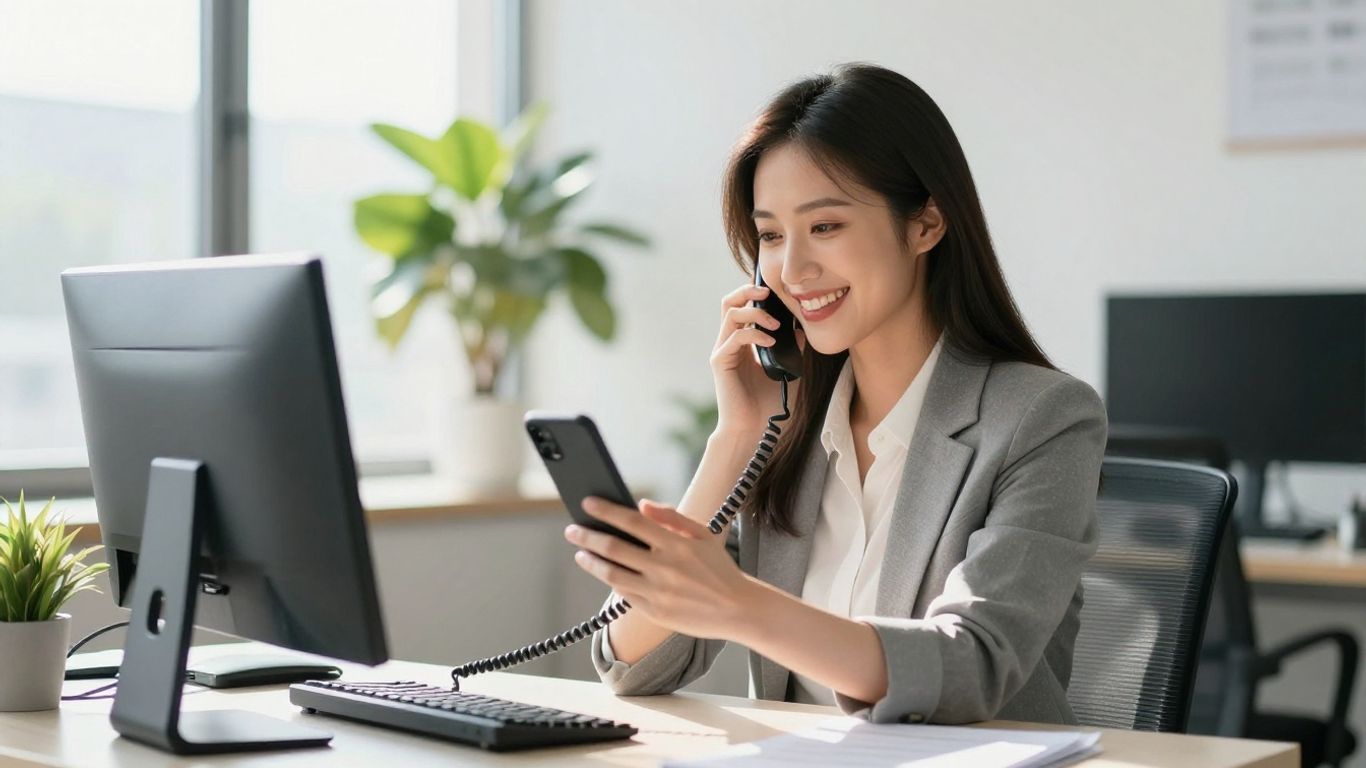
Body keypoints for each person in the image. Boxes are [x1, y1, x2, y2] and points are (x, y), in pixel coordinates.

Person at [563, 62, 1107, 725]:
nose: (792, 270)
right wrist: (735, 438)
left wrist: (741, 604)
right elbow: (633, 663)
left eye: (825, 227)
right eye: (769, 235)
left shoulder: (1042, 419)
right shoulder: (788, 425)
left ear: (926, 224)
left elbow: (970, 668)